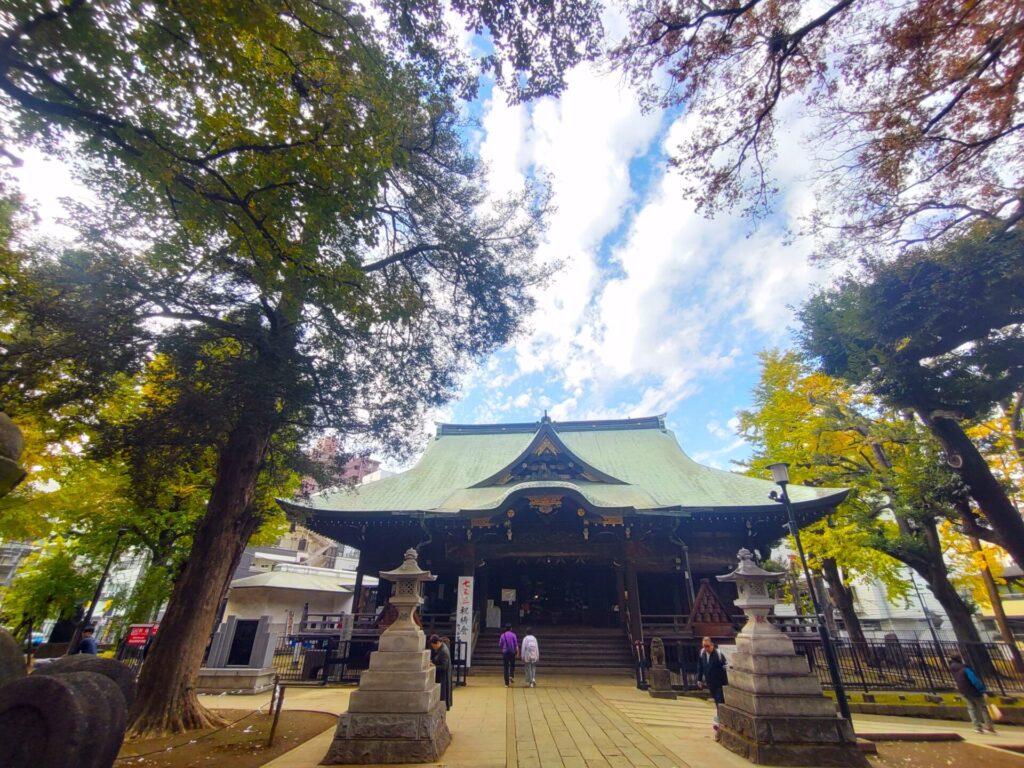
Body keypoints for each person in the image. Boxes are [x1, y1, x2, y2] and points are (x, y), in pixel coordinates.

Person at [949, 654, 996, 733]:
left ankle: (977, 727)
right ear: (960, 659)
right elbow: (974, 680)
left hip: (963, 691)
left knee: (972, 708)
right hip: (973, 690)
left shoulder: (953, 669)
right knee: (983, 707)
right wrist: (982, 690)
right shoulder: (965, 668)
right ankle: (989, 726)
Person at [696, 636, 728, 722]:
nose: (706, 648)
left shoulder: (718, 654)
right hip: (710, 682)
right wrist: (699, 679)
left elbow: (725, 668)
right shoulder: (702, 653)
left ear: (712, 645)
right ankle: (720, 717)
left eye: (707, 646)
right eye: (704, 646)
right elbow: (700, 667)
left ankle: (721, 718)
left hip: (720, 682)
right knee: (715, 699)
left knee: (720, 700)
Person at [429, 634, 453, 710]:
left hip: (443, 677)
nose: (433, 648)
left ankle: (444, 707)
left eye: (433, 646)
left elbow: (444, 667)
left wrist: (434, 666)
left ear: (437, 643)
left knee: (443, 695)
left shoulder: (443, 651)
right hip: (440, 676)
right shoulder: (441, 648)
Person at [499, 623, 518, 687]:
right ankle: (511, 675)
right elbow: (516, 644)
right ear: (511, 628)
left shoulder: (502, 635)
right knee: (512, 665)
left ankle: (506, 683)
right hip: (512, 652)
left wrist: (503, 649)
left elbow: (500, 644)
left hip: (505, 652)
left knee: (505, 667)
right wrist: (517, 652)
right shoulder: (513, 635)